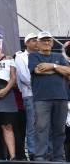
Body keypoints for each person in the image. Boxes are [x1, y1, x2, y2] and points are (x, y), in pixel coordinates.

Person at [28, 31, 70, 162]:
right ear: (38, 43)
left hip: (61, 97)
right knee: (41, 128)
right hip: (42, 98)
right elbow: (37, 70)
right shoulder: (33, 56)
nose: (46, 43)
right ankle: (40, 156)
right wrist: (59, 71)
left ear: (52, 43)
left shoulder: (58, 56)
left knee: (60, 130)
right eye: (43, 40)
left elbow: (69, 71)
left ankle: (58, 157)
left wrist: (52, 66)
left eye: (48, 40)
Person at [14, 33, 37, 160]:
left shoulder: (42, 56)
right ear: (27, 43)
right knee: (32, 126)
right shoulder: (20, 56)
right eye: (33, 40)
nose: (36, 43)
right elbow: (23, 77)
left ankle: (45, 153)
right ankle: (33, 153)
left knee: (45, 126)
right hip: (30, 95)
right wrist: (40, 86)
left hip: (44, 96)